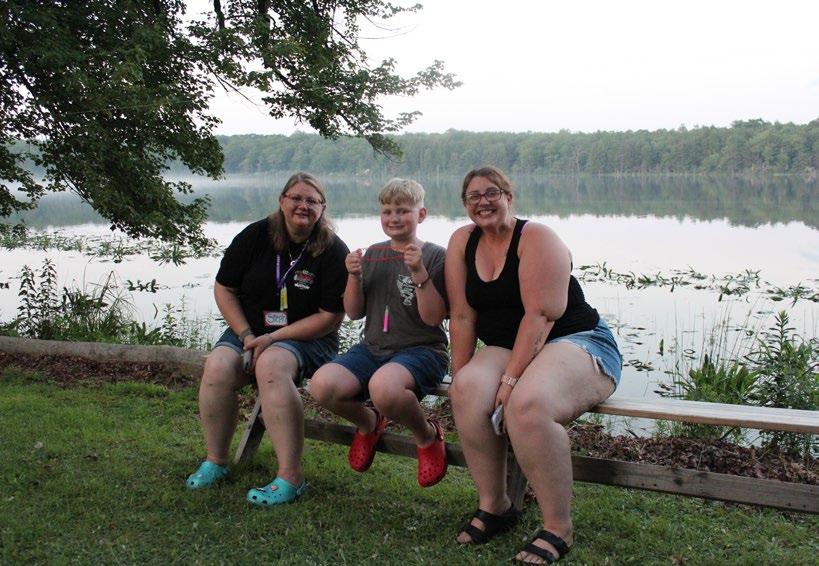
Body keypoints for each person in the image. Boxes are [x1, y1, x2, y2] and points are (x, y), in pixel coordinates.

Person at [445, 166, 622, 564]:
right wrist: (458, 376)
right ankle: (495, 505)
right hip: (509, 345)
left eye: (492, 193)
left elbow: (540, 316)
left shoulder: (536, 237)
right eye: (473, 196)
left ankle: (558, 527)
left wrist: (510, 381)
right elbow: (462, 315)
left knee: (527, 404)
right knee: (467, 388)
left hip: (576, 340)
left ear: (509, 197)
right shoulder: (462, 241)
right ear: (465, 204)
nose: (483, 202)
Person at [185, 172, 349, 507]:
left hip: (308, 338)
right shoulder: (255, 235)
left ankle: (291, 477)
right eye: (296, 198)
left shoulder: (333, 250)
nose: (303, 205)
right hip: (249, 330)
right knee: (218, 366)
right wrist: (247, 334)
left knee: (272, 365)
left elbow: (330, 317)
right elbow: (224, 288)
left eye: (312, 201)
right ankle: (216, 461)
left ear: (323, 207)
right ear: (282, 201)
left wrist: (273, 338)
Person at [310, 178, 449, 487]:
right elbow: (354, 312)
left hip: (423, 350)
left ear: (421, 215)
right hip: (372, 349)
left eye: (403, 211)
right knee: (322, 385)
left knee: (383, 389)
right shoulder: (373, 253)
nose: (394, 218)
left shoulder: (436, 256)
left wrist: (419, 272)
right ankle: (368, 422)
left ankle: (427, 436)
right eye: (387, 211)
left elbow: (433, 318)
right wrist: (353, 276)